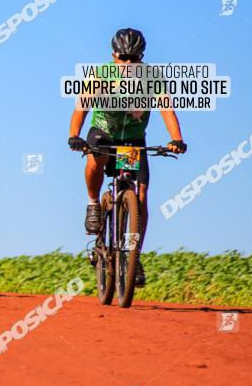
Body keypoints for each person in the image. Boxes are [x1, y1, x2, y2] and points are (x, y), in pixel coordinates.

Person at [67, 27, 187, 285]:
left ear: (141, 57)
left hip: (132, 143)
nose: (128, 64)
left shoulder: (151, 78)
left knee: (140, 196)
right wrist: (74, 135)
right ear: (113, 56)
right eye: (123, 58)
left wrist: (176, 139)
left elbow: (166, 108)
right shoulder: (101, 75)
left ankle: (133, 254)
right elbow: (82, 106)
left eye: (134, 58)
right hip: (104, 134)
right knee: (95, 157)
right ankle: (92, 203)